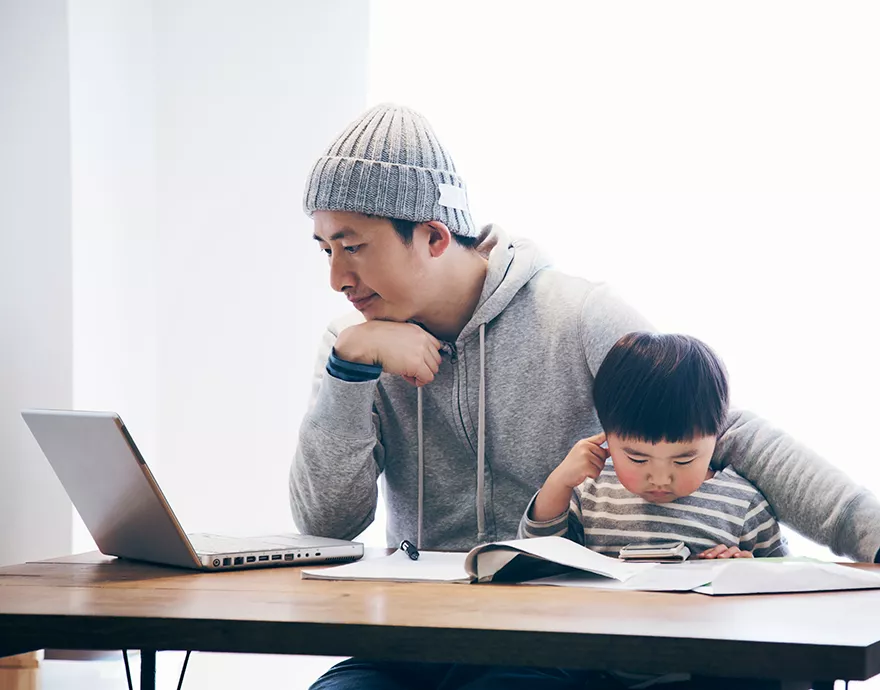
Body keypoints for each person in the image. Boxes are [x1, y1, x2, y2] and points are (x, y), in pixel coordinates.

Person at [290, 103, 880, 690]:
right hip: (408, 638)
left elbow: (718, 429)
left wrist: (870, 532)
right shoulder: (354, 346)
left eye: (353, 246)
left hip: (550, 639)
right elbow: (327, 525)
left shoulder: (575, 316)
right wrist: (348, 373)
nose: (337, 277)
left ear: (433, 236)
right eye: (325, 249)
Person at [519, 331, 789, 559]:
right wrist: (558, 484)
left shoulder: (743, 505)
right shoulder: (590, 492)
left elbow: (788, 590)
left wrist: (750, 573)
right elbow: (533, 559)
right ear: (607, 437)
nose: (660, 478)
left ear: (716, 437)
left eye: (683, 460)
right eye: (638, 459)